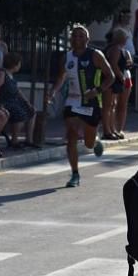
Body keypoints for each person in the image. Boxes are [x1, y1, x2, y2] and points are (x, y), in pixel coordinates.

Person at [48, 24, 114, 188]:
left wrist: (97, 90)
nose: (77, 39)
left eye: (81, 36)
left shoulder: (95, 55)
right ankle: (75, 174)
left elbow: (110, 77)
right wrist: (53, 92)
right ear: (70, 39)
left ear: (87, 39)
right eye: (74, 36)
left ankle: (96, 140)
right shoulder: (66, 57)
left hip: (90, 102)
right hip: (72, 101)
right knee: (71, 135)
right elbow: (61, 78)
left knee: (88, 143)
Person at [0, 52, 40, 148]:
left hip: (13, 101)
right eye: (19, 63)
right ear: (15, 64)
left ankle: (29, 140)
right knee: (20, 113)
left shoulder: (11, 74)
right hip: (4, 102)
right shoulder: (2, 73)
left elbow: (17, 91)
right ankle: (14, 140)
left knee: (32, 111)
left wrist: (27, 103)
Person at [104, 27, 134, 139]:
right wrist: (122, 78)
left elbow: (128, 63)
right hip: (113, 79)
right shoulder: (115, 49)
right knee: (109, 106)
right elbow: (113, 65)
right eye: (125, 38)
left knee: (114, 105)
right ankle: (108, 130)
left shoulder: (122, 50)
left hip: (117, 79)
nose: (126, 40)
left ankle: (114, 129)